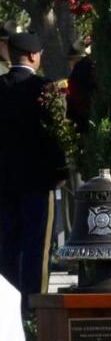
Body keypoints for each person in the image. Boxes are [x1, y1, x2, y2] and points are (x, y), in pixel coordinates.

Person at [0, 32, 68, 311]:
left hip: (3, 182)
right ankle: (31, 308)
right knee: (37, 248)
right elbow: (56, 135)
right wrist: (60, 168)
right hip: (38, 182)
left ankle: (7, 307)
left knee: (6, 247)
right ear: (32, 56)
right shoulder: (45, 88)